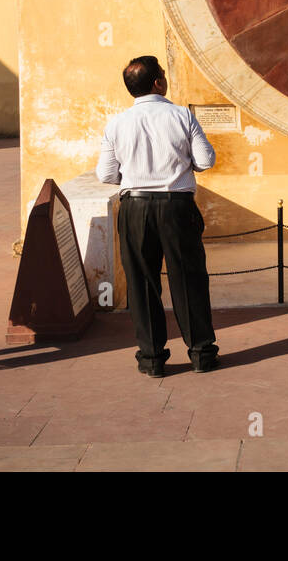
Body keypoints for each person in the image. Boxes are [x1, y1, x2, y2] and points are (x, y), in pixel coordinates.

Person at [97, 56, 219, 376]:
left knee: (141, 282)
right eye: (162, 75)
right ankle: (202, 354)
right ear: (158, 83)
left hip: (135, 208)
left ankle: (152, 360)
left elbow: (106, 175)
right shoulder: (181, 116)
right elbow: (206, 161)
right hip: (177, 206)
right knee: (188, 279)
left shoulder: (117, 123)